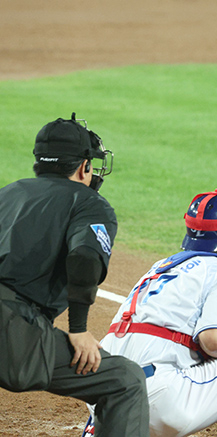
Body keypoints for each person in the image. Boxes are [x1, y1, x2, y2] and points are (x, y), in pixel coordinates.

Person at [84, 189, 217, 437]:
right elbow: (214, 341)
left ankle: (95, 432)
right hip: (160, 402)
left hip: (101, 396)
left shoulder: (161, 268)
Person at [0, 114, 150, 436]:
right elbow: (83, 257)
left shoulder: (7, 194)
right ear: (84, 166)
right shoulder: (89, 202)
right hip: (12, 334)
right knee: (125, 380)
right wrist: (79, 330)